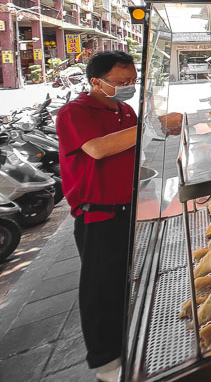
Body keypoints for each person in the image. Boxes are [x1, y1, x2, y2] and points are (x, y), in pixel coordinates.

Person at [56, 51, 181, 382]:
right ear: (96, 81)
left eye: (133, 81)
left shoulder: (125, 110)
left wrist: (162, 129)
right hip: (97, 214)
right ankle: (107, 364)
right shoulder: (74, 112)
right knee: (100, 288)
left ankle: (126, 342)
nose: (128, 87)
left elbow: (135, 144)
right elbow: (97, 149)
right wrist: (151, 126)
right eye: (121, 82)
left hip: (128, 207)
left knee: (122, 281)